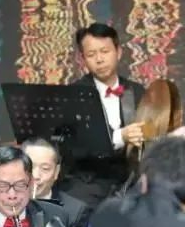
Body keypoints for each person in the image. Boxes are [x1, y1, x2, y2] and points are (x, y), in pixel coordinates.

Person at [59, 22, 147, 208]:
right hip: (87, 184)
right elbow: (73, 148)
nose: (99, 59)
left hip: (129, 183)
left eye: (105, 51)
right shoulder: (72, 95)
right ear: (82, 59)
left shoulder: (136, 92)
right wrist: (120, 136)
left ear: (119, 52)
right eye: (91, 54)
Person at [21, 136, 91, 227]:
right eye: (29, 167)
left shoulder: (74, 211)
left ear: (56, 171)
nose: (36, 175)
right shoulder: (3, 202)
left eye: (45, 168)